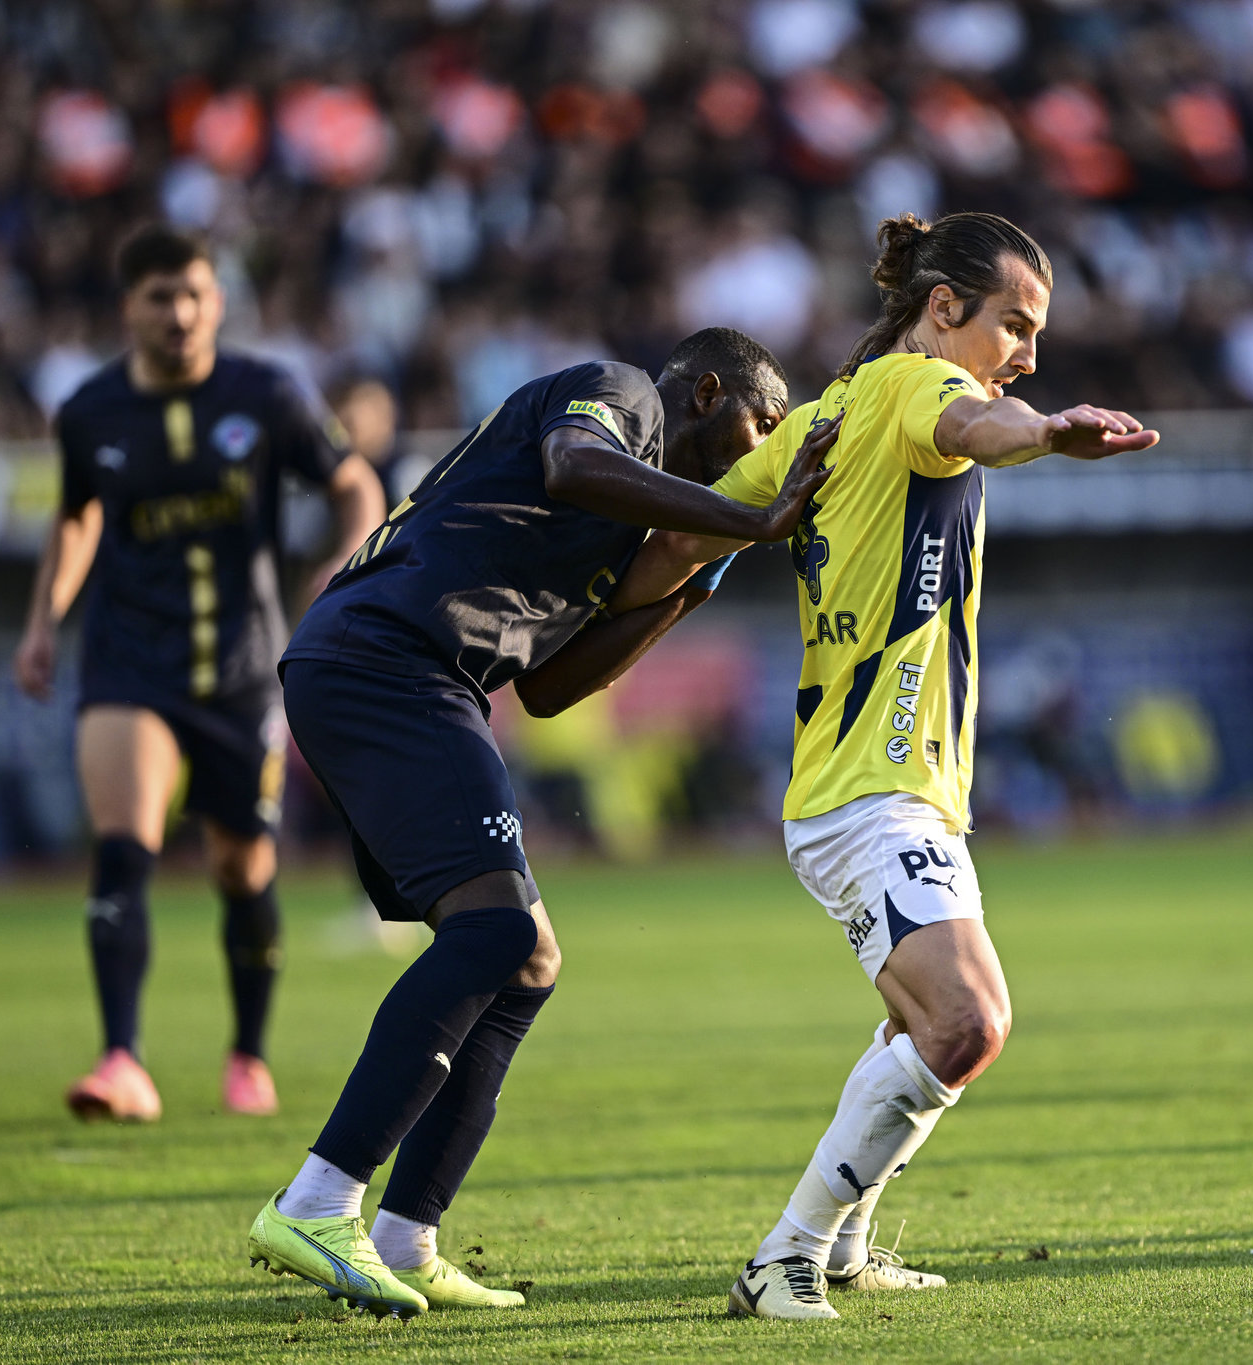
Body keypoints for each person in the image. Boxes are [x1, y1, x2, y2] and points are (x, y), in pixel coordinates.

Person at [608, 212, 1161, 1320]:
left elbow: (669, 547)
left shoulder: (820, 416)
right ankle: (788, 1255)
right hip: (870, 798)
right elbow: (978, 422)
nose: (1028, 354)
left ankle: (846, 1247)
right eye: (1015, 324)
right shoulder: (914, 388)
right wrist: (1047, 433)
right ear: (941, 308)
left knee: (929, 1026)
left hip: (873, 789)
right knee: (967, 1024)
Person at [242, 327, 840, 1318]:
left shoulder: (624, 530)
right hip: (385, 660)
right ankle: (318, 1198)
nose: (767, 444)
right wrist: (763, 519)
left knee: (525, 957)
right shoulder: (620, 399)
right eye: (762, 422)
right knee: (498, 930)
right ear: (703, 393)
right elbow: (572, 461)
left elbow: (555, 688)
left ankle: (404, 1233)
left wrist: (685, 585)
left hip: (413, 676)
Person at [13, 224, 387, 1122]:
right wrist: (42, 621)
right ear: (128, 310)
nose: (178, 314)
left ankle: (247, 1055)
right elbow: (74, 520)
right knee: (123, 846)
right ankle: (120, 1059)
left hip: (241, 668)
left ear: (216, 301)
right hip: (126, 661)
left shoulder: (266, 394)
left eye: (192, 295)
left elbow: (355, 483)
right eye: (158, 298)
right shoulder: (90, 412)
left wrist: (343, 557)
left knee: (240, 868)